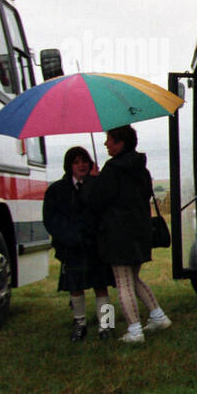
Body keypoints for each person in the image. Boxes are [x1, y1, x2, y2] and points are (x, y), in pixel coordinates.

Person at [82, 125, 171, 344]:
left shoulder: (112, 169)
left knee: (123, 282)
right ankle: (158, 316)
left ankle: (134, 331)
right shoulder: (142, 168)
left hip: (118, 234)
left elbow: (96, 201)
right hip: (139, 231)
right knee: (133, 278)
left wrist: (93, 180)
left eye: (109, 140)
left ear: (120, 143)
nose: (105, 144)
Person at [42, 146, 114, 341]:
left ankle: (106, 325)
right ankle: (79, 324)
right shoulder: (56, 190)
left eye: (84, 161)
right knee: (75, 287)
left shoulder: (97, 185)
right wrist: (69, 237)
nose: (81, 165)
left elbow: (104, 212)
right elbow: (51, 219)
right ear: (69, 166)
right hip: (70, 247)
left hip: (95, 245)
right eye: (76, 162)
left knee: (101, 285)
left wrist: (94, 181)